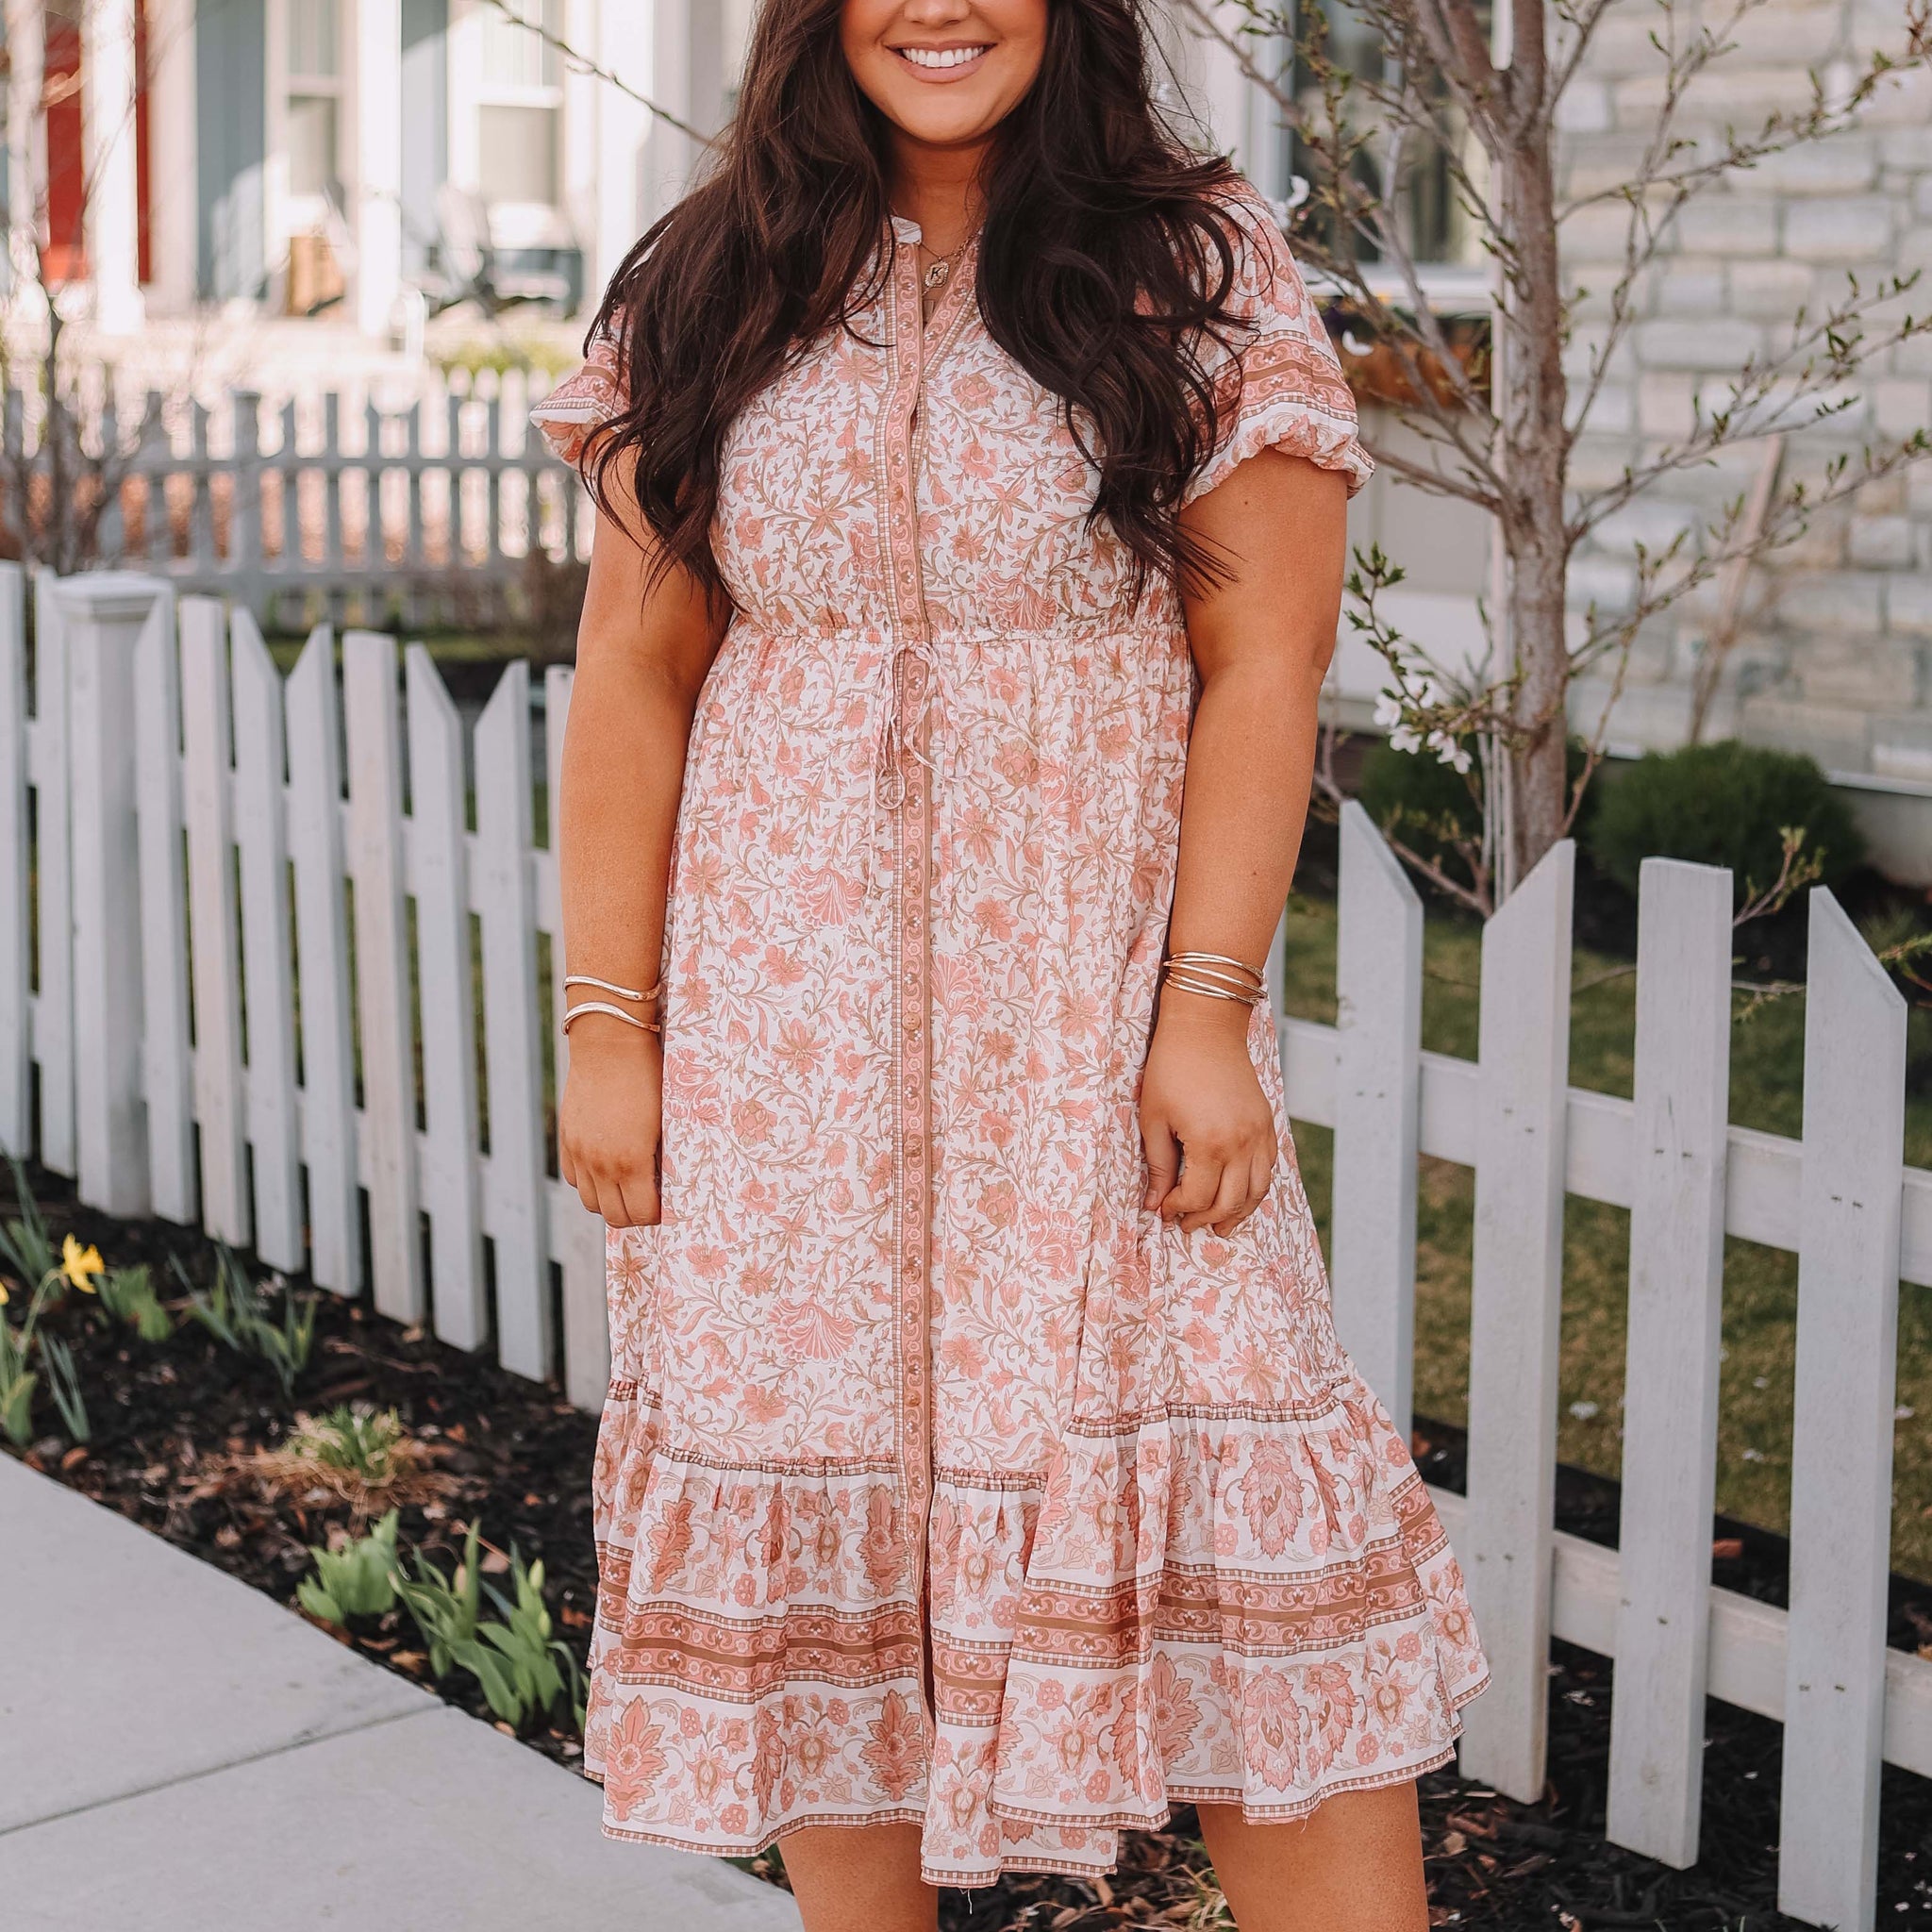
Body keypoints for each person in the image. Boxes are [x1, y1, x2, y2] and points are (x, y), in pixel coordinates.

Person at [533, 4, 1489, 1927]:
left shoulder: (1194, 271)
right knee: (832, 1566)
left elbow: (1262, 671)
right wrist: (607, 1026)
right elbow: (636, 664)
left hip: (1087, 1037)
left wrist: (1205, 1012)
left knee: (1233, 1512)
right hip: (787, 1063)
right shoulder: (712, 281)